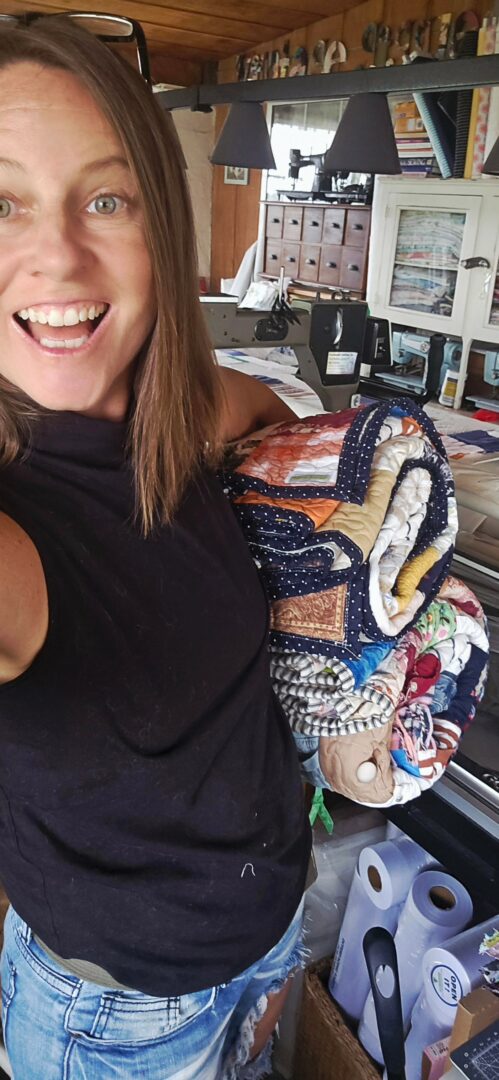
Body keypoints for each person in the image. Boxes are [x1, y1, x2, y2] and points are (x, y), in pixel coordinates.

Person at [0, 16, 311, 1080]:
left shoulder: (183, 411)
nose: (58, 254)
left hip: (271, 936)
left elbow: (269, 418)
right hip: (120, 1023)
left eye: (106, 199)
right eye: (0, 204)